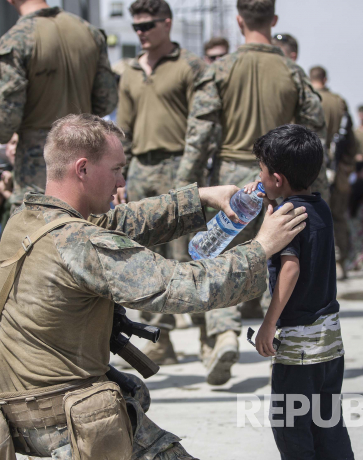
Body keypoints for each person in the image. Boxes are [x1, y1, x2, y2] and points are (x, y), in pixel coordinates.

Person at [0, 113, 307, 460]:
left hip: (11, 412)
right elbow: (179, 287)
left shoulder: (29, 219)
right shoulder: (80, 243)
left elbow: (123, 223)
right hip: (55, 416)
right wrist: (260, 248)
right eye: (115, 170)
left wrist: (202, 199)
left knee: (132, 392)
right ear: (82, 169)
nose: (120, 182)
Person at [174, 0, 326, 385]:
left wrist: (187, 188)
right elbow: (315, 124)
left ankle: (224, 331)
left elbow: (201, 132)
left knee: (221, 257)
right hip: (284, 180)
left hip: (233, 181)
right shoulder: (291, 70)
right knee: (278, 257)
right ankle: (276, 337)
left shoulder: (221, 69)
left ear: (239, 20)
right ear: (273, 20)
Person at [247, 124, 362, 460]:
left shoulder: (286, 213)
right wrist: (268, 208)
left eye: (261, 170)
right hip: (329, 336)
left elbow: (290, 269)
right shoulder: (318, 207)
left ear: (277, 178)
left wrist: (268, 324)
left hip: (297, 339)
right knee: (326, 415)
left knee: (289, 419)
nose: (259, 177)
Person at [117, 0, 205, 365]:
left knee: (187, 256)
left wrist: (189, 174)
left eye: (148, 25)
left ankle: (208, 335)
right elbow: (121, 131)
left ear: (167, 24)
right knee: (147, 259)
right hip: (140, 167)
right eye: (136, 26)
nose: (141, 32)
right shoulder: (130, 72)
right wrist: (118, 175)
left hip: (178, 165)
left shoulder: (189, 66)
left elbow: (201, 128)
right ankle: (160, 338)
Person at [0, 0, 118, 204]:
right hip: (85, 160)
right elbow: (107, 100)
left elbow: (5, 124)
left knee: (36, 230)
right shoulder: (88, 32)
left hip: (39, 167)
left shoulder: (16, 39)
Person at [309, 65, 357, 278]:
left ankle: (322, 262)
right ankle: (339, 261)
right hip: (338, 170)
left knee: (315, 215)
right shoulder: (339, 102)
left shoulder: (309, 99)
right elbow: (350, 140)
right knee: (337, 215)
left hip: (314, 169)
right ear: (326, 78)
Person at [0, 133, 18, 231]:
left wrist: (6, 193)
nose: (16, 148)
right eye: (13, 143)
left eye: (20, 143)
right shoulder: (6, 176)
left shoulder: (35, 178)